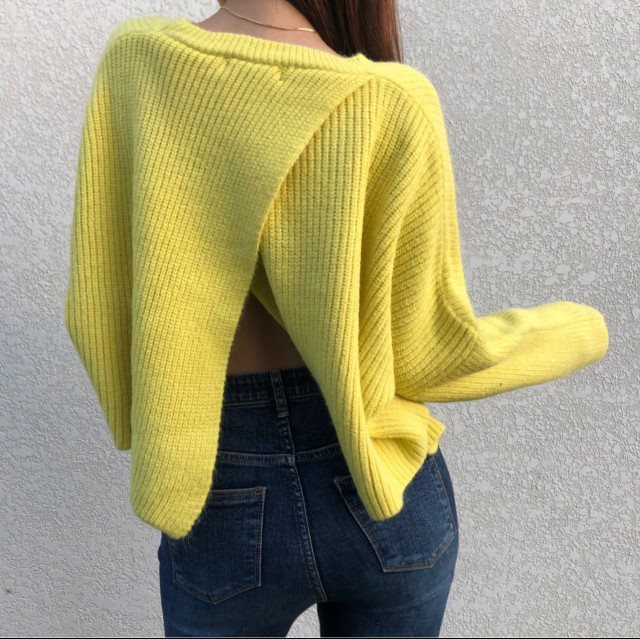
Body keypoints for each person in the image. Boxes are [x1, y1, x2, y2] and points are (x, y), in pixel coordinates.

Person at [63, 1, 609, 636]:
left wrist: (157, 433)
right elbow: (431, 352)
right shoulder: (391, 99)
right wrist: (582, 328)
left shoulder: (137, 64)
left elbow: (94, 309)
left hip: (217, 486)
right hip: (378, 487)